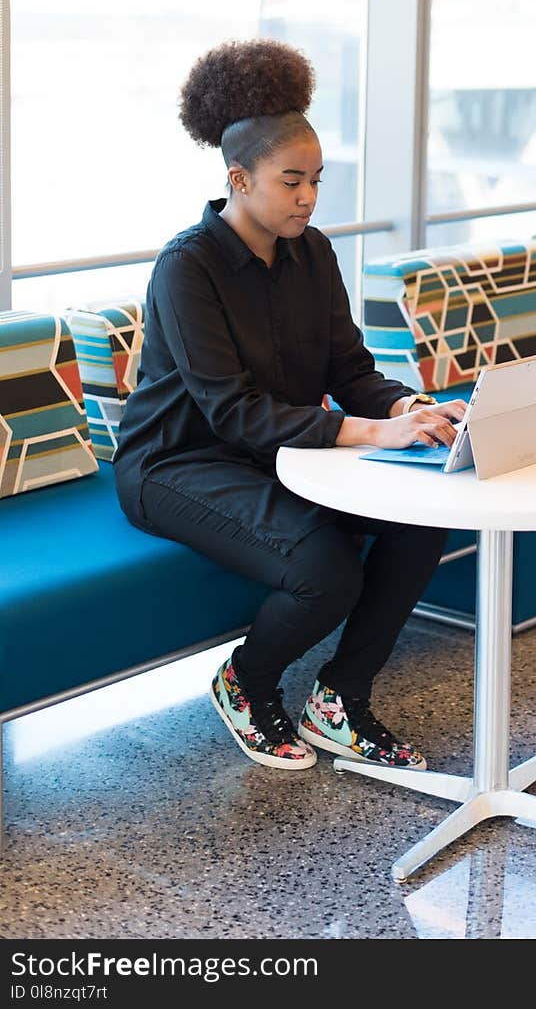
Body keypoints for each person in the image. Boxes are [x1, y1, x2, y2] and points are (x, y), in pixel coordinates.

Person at [113, 38, 467, 774]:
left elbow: (348, 367)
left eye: (317, 180)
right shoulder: (188, 269)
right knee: (326, 568)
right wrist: (376, 430)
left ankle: (339, 698)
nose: (308, 197)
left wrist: (414, 407)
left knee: (422, 517)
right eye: (291, 181)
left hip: (280, 452)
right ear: (239, 180)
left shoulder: (313, 253)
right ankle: (247, 684)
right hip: (177, 464)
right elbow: (232, 413)